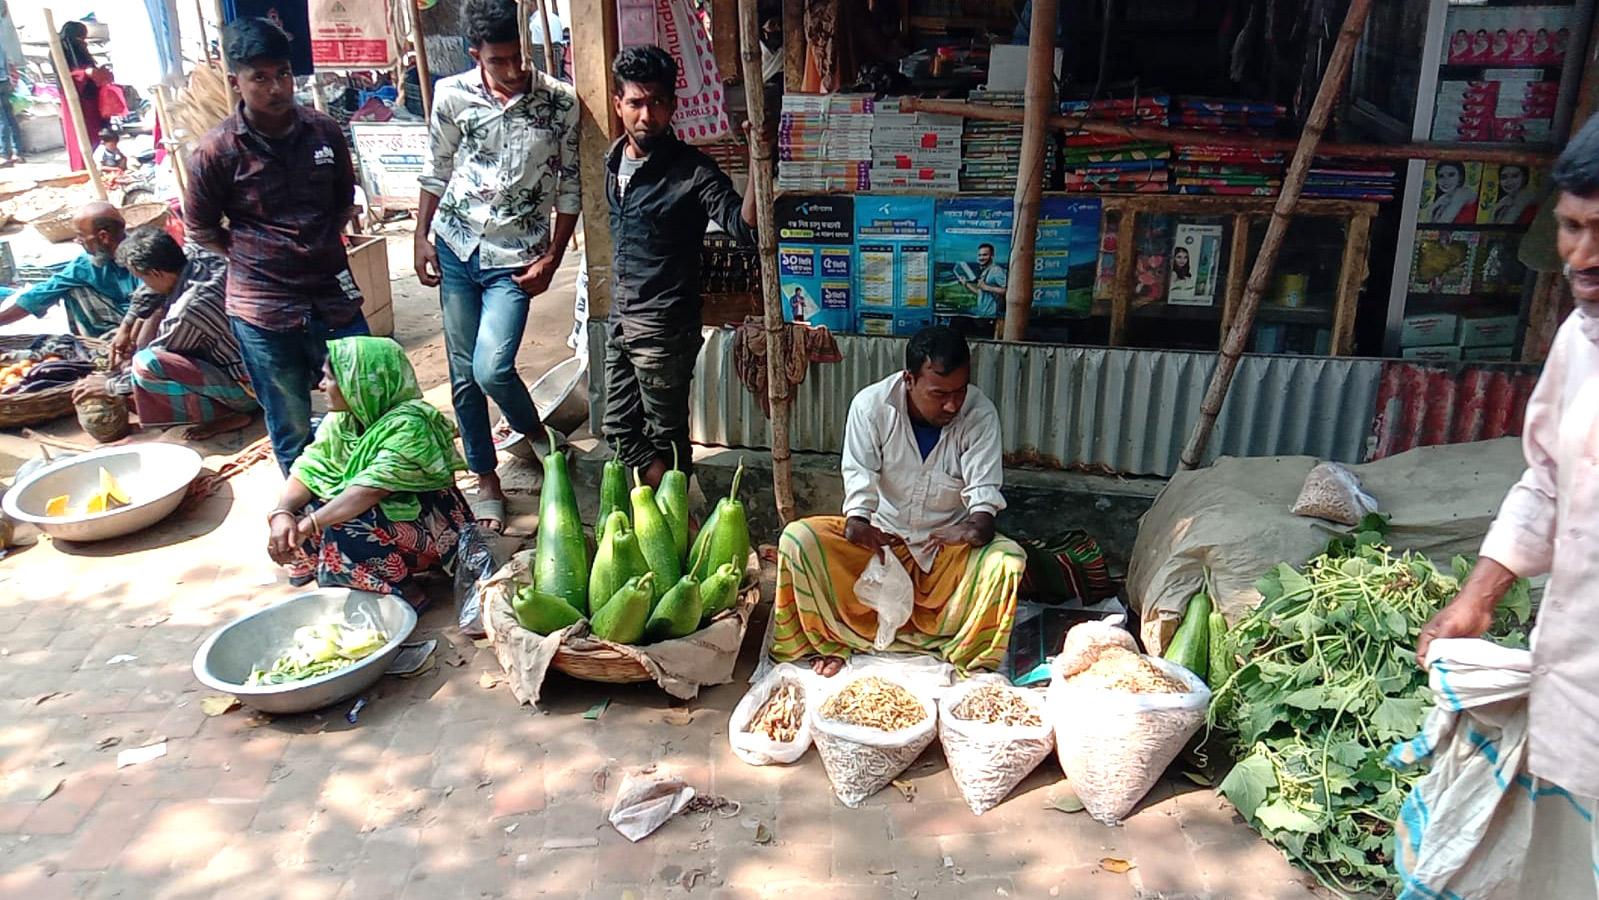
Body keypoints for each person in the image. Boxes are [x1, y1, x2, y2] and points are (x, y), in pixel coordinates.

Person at [1416, 113, 1599, 892]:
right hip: (1580, 680)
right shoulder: (1578, 341)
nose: (1582, 259)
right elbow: (1548, 479)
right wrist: (1476, 597)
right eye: (1570, 228)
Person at [770, 326, 1026, 676]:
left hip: (946, 552)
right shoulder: (871, 407)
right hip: (881, 542)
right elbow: (859, 481)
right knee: (798, 540)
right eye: (939, 394)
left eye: (960, 391)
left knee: (1007, 561)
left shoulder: (980, 415)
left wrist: (972, 531)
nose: (952, 404)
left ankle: (966, 658)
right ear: (909, 379)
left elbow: (983, 500)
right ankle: (828, 641)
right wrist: (858, 525)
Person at [415, 0, 580, 532]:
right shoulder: (451, 95)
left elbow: (571, 186)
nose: (512, 71)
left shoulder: (559, 102)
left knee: (492, 366)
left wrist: (554, 257)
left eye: (518, 58)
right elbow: (437, 169)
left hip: (519, 257)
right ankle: (486, 476)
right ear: (475, 55)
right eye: (498, 61)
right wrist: (421, 234)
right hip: (457, 246)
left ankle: (535, 434)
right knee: (463, 376)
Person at [186, 17, 368, 475]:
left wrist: (313, 244)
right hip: (262, 306)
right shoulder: (217, 151)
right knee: (289, 422)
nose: (275, 87)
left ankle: (376, 514)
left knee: (367, 397)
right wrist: (253, 256)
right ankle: (308, 525)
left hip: (332, 295)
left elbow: (344, 201)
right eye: (260, 77)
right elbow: (202, 228)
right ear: (236, 82)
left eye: (282, 73)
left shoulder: (323, 132)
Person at [603, 45, 757, 489]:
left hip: (665, 329)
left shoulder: (695, 172)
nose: (646, 115)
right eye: (635, 103)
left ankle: (684, 525)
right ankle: (681, 515)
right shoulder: (613, 160)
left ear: (672, 105)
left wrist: (759, 164)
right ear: (619, 104)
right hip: (621, 322)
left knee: (666, 438)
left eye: (656, 103)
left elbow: (742, 227)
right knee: (620, 432)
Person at [267, 336, 470, 605]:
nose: (321, 386)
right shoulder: (342, 421)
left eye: (329, 378)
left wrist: (309, 525)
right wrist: (282, 513)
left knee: (343, 523)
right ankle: (331, 567)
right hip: (382, 515)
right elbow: (310, 467)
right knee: (297, 511)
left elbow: (370, 490)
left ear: (359, 382)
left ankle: (407, 592)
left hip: (429, 525)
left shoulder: (410, 423)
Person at [70, 227, 256, 440]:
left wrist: (110, 384)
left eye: (143, 278)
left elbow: (159, 359)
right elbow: (150, 291)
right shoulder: (201, 256)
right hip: (264, 360)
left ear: (156, 273)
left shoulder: (187, 311)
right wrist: (126, 325)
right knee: (156, 312)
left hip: (250, 387)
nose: (143, 284)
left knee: (146, 363)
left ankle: (232, 412)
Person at [0, 202, 137, 337]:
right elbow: (42, 293)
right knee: (72, 289)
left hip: (145, 322)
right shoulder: (86, 263)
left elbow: (149, 307)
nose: (77, 240)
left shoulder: (143, 257)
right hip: (118, 320)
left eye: (81, 235)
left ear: (103, 236)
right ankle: (100, 342)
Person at [57, 21, 126, 172]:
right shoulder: (59, 51)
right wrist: (84, 74)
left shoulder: (80, 49)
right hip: (74, 99)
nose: (83, 42)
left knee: (97, 133)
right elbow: (64, 77)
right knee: (79, 135)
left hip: (92, 98)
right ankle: (81, 168)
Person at [0, 1, 24, 167]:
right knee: (8, 116)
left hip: (2, 78)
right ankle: (18, 152)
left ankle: (4, 153)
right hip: (5, 79)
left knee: (3, 118)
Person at [956, 242, 1007, 318]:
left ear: (992, 256)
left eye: (985, 255)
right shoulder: (986, 271)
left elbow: (1008, 291)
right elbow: (981, 293)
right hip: (982, 315)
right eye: (979, 255)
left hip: (992, 317)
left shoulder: (996, 270)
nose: (981, 258)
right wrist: (966, 284)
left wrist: (987, 287)